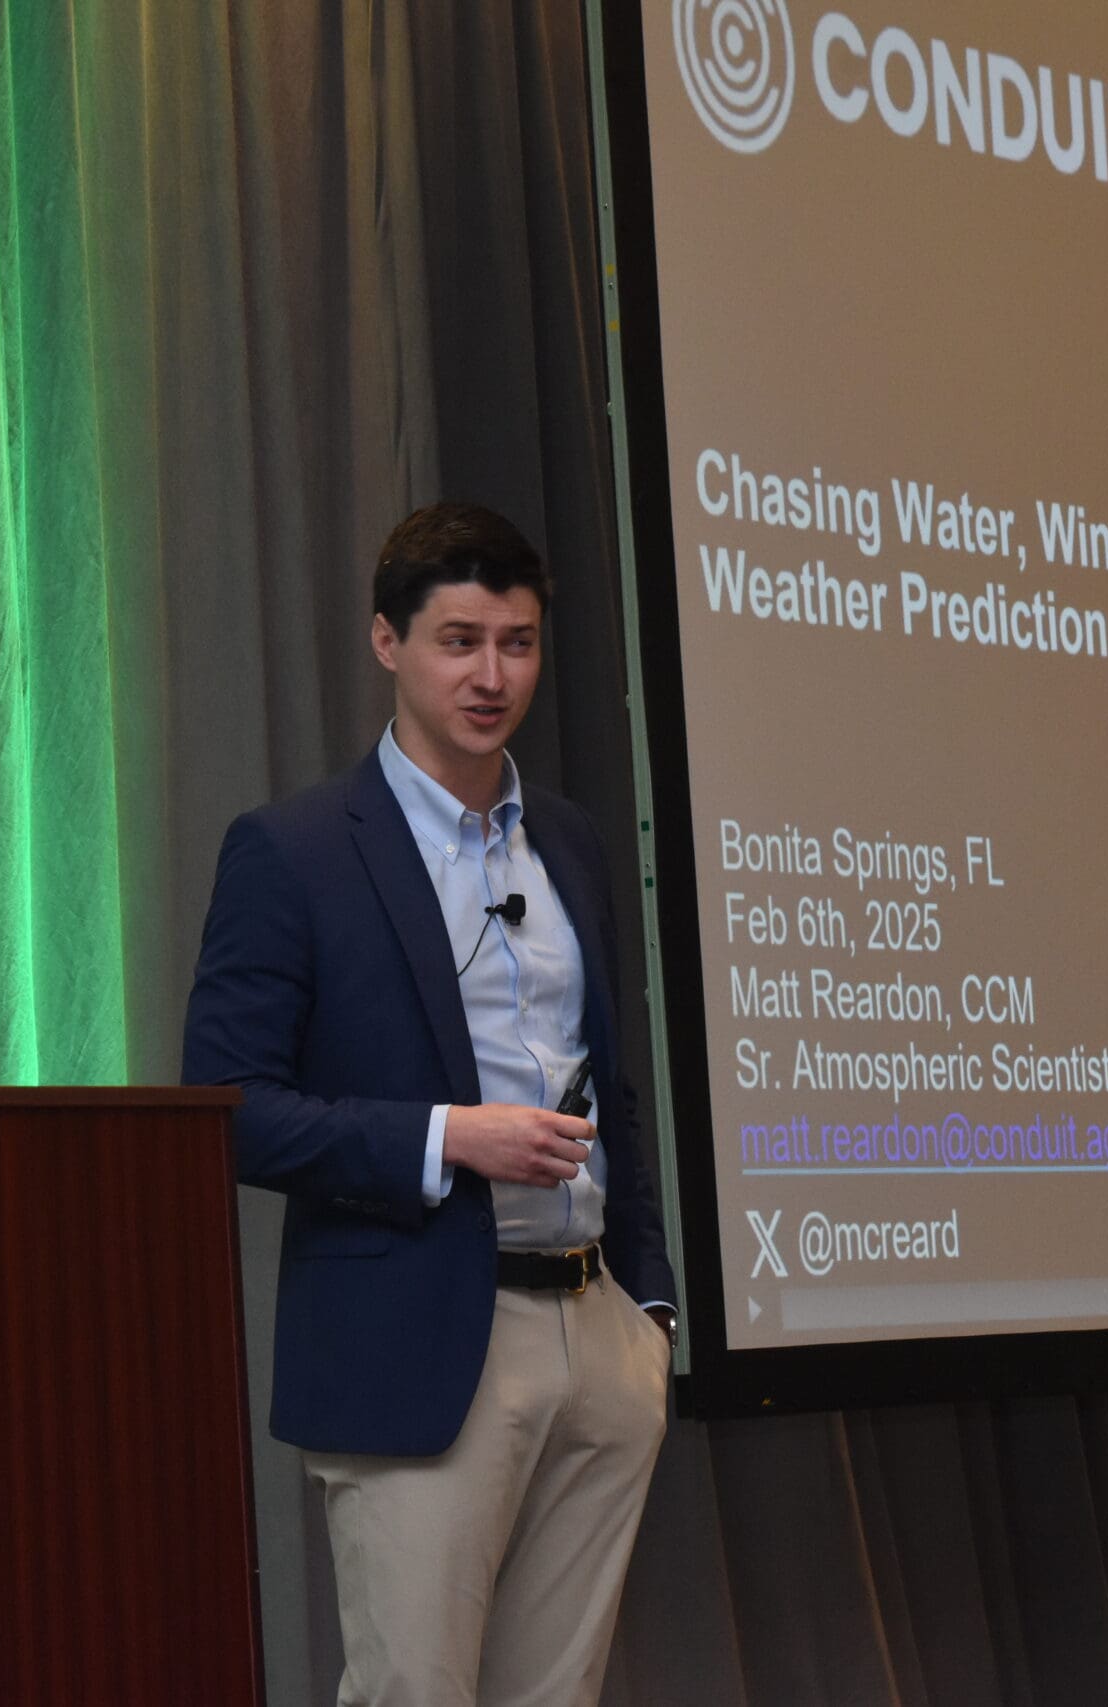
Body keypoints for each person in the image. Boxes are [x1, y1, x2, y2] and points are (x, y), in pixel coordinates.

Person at [183, 501, 678, 1707]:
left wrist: (650, 1309)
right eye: (458, 641)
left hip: (596, 1335)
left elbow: (612, 1083)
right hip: (417, 1342)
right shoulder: (295, 851)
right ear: (386, 642)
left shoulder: (569, 842)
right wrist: (448, 1140)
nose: (490, 676)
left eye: (516, 643)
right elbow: (229, 1108)